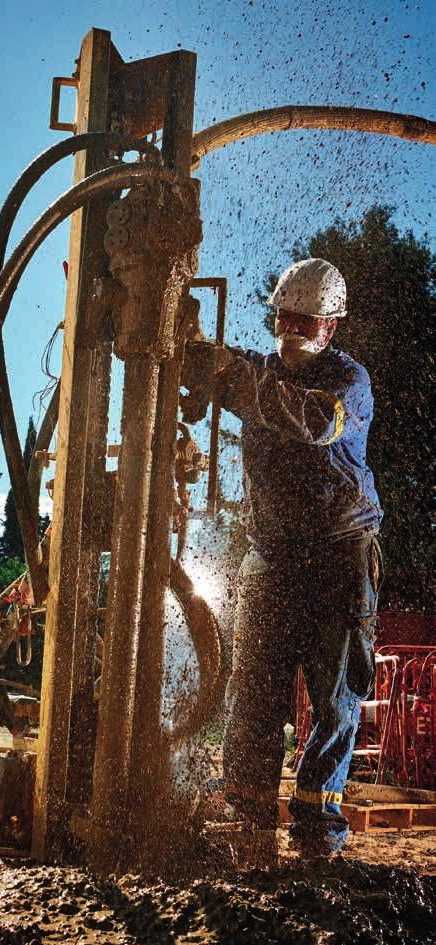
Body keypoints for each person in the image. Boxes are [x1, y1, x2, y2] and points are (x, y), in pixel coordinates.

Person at [181, 258, 383, 861]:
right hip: (271, 553)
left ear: (331, 326)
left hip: (339, 551)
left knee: (333, 692)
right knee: (254, 687)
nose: (290, 331)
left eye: (305, 321)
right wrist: (187, 351)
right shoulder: (260, 368)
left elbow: (315, 423)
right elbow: (211, 367)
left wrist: (232, 379)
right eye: (283, 318)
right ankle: (245, 816)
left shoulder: (348, 381)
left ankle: (318, 831)